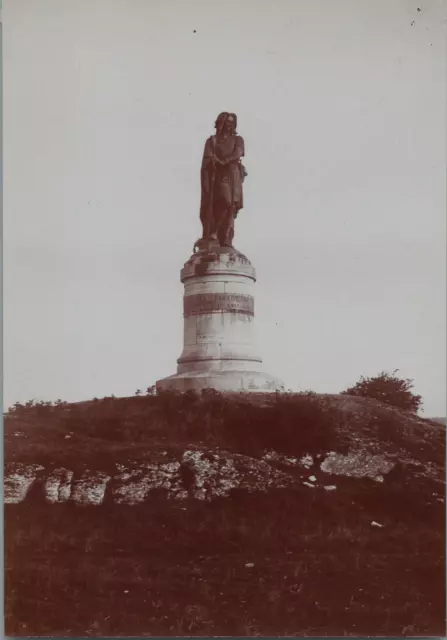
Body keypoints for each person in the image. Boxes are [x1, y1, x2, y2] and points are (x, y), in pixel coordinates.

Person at [199, 112, 247, 247]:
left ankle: (225, 238)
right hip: (219, 176)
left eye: (232, 122)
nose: (229, 125)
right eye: (227, 122)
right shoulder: (212, 141)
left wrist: (223, 161)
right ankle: (213, 232)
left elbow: (238, 152)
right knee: (224, 201)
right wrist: (213, 161)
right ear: (221, 122)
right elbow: (207, 159)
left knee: (232, 205)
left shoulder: (238, 140)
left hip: (233, 174)